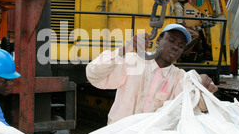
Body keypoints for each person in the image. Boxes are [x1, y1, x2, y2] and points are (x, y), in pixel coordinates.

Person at [86, 23, 218, 124]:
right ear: (159, 40)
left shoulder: (179, 77)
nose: (175, 47)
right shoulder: (133, 62)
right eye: (171, 40)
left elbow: (197, 105)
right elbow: (94, 74)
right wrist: (125, 49)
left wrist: (204, 88)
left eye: (181, 45)